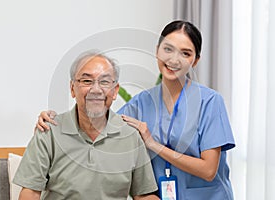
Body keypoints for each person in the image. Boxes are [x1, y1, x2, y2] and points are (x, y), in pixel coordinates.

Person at [36, 20, 236, 199]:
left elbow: (209, 170)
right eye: (168, 49)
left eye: (185, 53)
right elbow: (102, 122)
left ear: (195, 60)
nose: (174, 60)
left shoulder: (210, 102)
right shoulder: (141, 102)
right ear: (157, 51)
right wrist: (53, 118)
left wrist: (153, 144)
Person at [13, 51, 159, 199]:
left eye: (104, 82)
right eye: (87, 81)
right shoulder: (48, 131)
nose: (96, 90)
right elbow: (30, 191)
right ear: (72, 89)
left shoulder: (130, 135)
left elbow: (144, 195)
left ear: (115, 91)